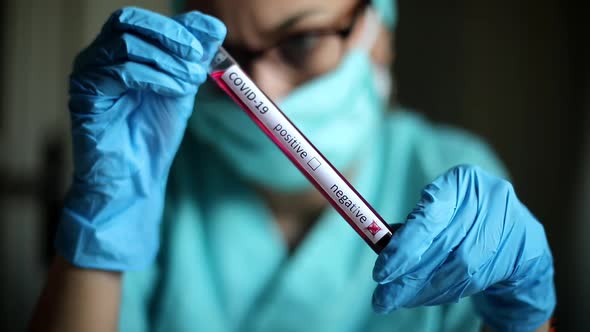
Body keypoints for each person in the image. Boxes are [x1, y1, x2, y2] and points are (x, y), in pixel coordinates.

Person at [30, 0, 556, 331]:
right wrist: (101, 230)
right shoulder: (154, 174)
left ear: (380, 30)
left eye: (301, 42)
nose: (263, 92)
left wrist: (527, 322)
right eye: (230, 55)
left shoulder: (452, 173)